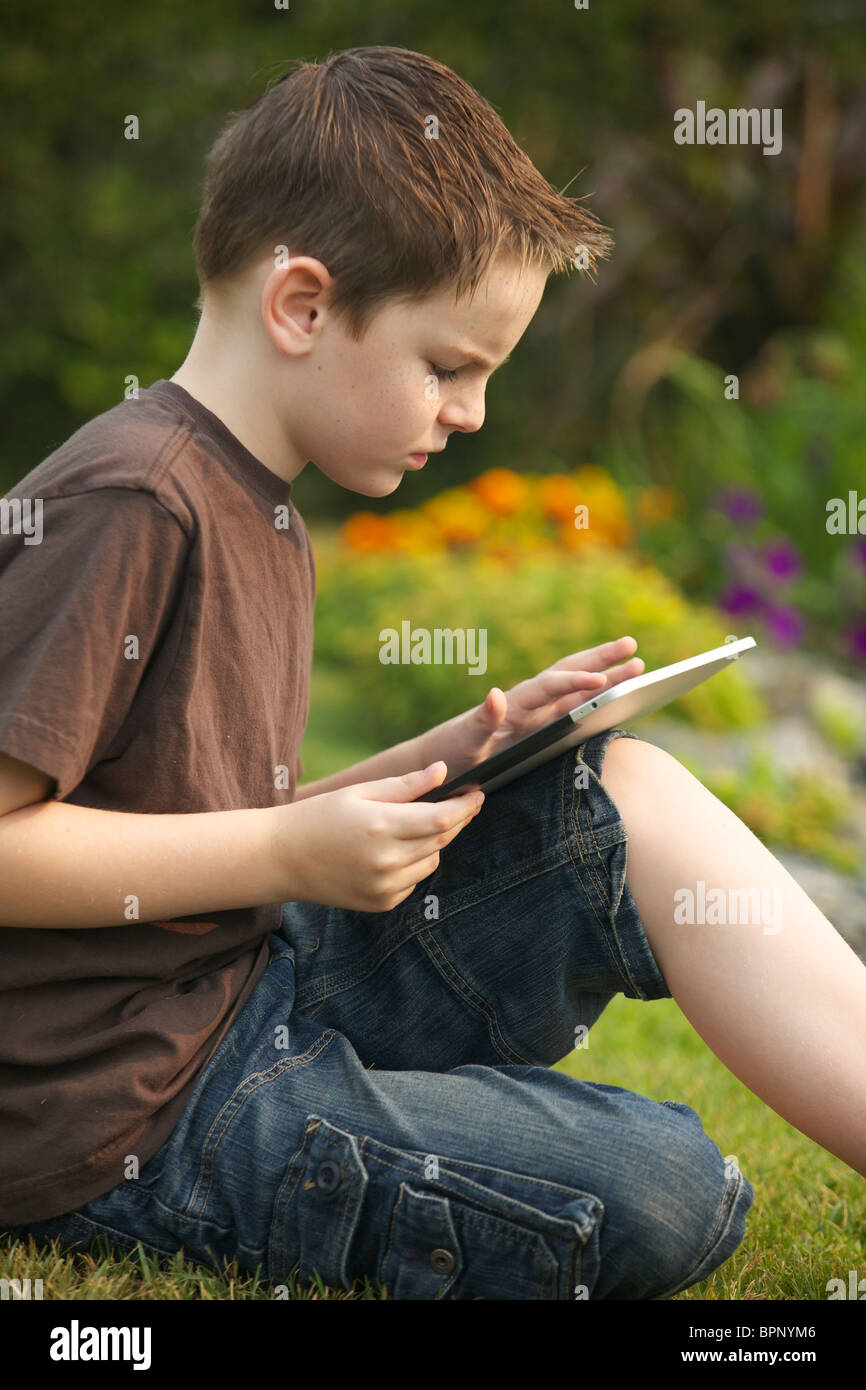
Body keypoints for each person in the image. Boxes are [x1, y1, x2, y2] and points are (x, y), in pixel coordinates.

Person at [1, 45, 862, 1302]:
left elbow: (194, 817)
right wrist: (292, 858)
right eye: (447, 367)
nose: (467, 414)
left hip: (240, 984)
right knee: (668, 1183)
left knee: (626, 794)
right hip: (129, 1116)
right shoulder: (132, 499)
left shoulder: (260, 501)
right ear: (301, 304)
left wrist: (451, 753)